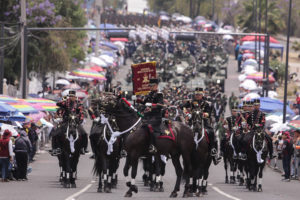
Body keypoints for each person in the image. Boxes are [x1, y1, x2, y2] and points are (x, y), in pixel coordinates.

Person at [184, 87, 222, 165]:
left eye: (199, 94)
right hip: (192, 122)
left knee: (211, 132)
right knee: (182, 133)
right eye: (196, 94)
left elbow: (208, 113)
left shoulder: (207, 103)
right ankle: (182, 150)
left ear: (202, 94)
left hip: (203, 122)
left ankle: (213, 151)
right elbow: (182, 107)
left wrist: (201, 114)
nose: (197, 96)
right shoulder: (190, 102)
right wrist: (187, 113)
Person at [53, 90, 87, 154]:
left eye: (73, 96)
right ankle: (56, 148)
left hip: (76, 121)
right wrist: (64, 100)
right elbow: (58, 104)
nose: (71, 98)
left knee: (84, 133)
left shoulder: (78, 102)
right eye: (70, 96)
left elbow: (81, 112)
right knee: (56, 133)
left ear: (75, 97)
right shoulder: (66, 102)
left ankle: (83, 148)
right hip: (66, 120)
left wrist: (80, 119)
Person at [138, 78, 164, 153]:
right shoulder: (150, 94)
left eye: (152, 86)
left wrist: (151, 105)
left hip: (156, 116)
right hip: (148, 115)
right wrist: (139, 100)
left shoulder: (159, 94)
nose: (150, 87)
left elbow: (161, 105)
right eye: (150, 86)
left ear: (156, 86)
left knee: (150, 126)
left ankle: (153, 145)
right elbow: (144, 102)